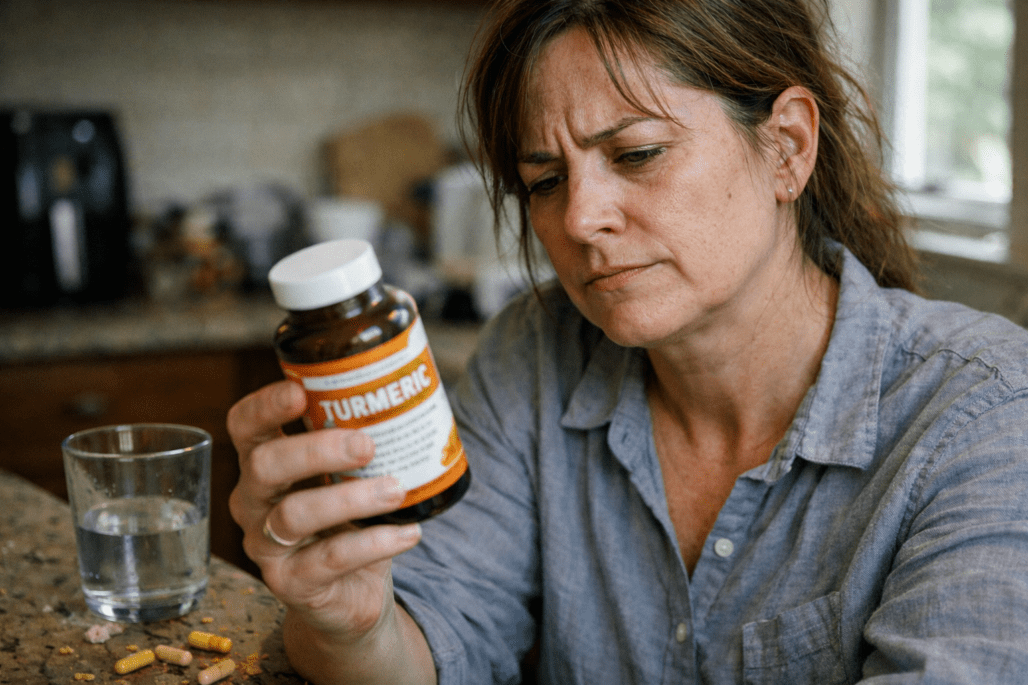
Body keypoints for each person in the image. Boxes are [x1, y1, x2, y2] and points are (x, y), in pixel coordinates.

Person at [226, 0, 1028, 682]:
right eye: (544, 180)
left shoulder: (987, 415)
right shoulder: (534, 353)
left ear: (786, 147)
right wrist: (349, 622)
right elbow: (437, 643)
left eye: (636, 153)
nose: (579, 220)